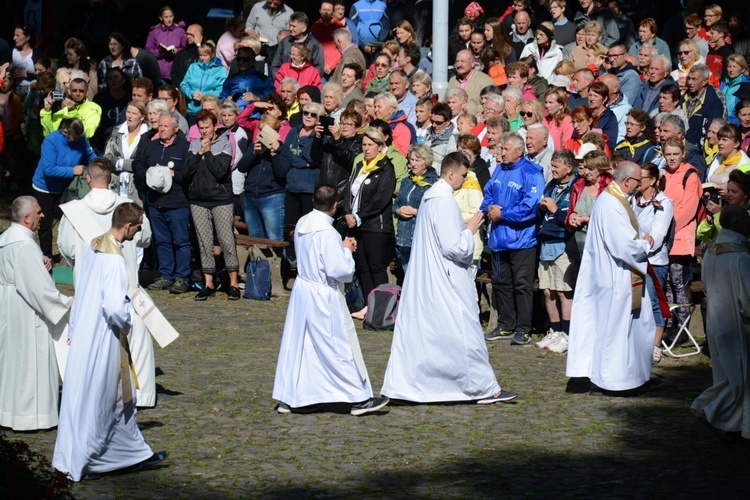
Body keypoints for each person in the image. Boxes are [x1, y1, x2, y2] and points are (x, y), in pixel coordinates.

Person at [381, 152, 518, 404]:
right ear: (451, 173)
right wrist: (469, 231)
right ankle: (482, 388)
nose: (465, 180)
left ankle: (421, 386)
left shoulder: (431, 198)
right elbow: (454, 247)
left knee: (434, 335)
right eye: (464, 175)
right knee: (465, 332)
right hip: (445, 278)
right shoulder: (442, 201)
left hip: (431, 277)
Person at [53, 203, 168, 481]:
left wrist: (75, 327)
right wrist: (129, 321)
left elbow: (83, 290)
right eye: (138, 227)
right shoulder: (115, 258)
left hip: (85, 333)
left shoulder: (95, 246)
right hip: (104, 339)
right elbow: (115, 308)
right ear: (128, 226)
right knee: (102, 398)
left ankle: (130, 452)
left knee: (97, 398)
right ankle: (86, 460)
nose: (138, 232)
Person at [273, 184, 389, 415]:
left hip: (303, 290)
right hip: (322, 295)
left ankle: (294, 396)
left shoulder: (304, 223)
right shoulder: (327, 233)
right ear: (335, 206)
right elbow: (340, 271)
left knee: (303, 345)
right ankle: (357, 397)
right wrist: (346, 249)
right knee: (337, 345)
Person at [57, 158, 155, 406]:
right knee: (135, 340)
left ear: (88, 179)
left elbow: (66, 247)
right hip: (128, 287)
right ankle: (140, 395)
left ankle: (97, 393)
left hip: (89, 291)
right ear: (111, 179)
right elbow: (146, 239)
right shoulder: (128, 208)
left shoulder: (74, 210)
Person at [566, 161, 659, 394]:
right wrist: (645, 245)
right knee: (616, 329)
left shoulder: (611, 199)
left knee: (635, 326)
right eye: (638, 182)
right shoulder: (612, 205)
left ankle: (634, 376)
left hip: (614, 272)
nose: (639, 187)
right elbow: (624, 246)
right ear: (627, 181)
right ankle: (613, 381)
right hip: (616, 275)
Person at [0, 196, 72, 431]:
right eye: (39, 213)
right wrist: (66, 302)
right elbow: (39, 290)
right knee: (31, 362)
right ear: (27, 218)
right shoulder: (24, 245)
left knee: (12, 363)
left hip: (9, 308)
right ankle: (32, 416)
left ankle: (10, 414)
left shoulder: (6, 239)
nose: (43, 216)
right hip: (26, 311)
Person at [691, 205, 750, 438]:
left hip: (716, 320)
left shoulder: (711, 252)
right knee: (741, 379)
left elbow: (705, 281)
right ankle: (711, 410)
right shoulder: (741, 257)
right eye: (746, 219)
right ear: (736, 224)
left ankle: (732, 423)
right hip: (738, 324)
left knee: (727, 374)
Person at [482, 132, 544, 345]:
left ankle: (524, 328)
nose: (502, 153)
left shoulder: (532, 173)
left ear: (519, 151)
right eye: (501, 149)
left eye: (506, 149)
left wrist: (503, 214)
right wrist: (488, 208)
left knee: (522, 284)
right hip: (499, 238)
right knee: (501, 282)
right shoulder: (499, 169)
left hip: (522, 239)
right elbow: (488, 192)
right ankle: (506, 325)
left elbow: (530, 206)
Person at [182, 110, 240, 300]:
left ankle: (233, 283)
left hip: (220, 199)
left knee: (226, 240)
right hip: (198, 200)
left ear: (215, 126)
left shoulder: (224, 143)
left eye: (207, 127)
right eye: (201, 128)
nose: (204, 131)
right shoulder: (194, 145)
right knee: (204, 243)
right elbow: (186, 172)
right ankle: (208, 283)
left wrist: (208, 153)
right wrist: (199, 153)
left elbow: (221, 172)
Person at [136, 111, 191, 294]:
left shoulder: (184, 147)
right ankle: (166, 275)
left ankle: (182, 277)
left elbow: (188, 174)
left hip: (177, 204)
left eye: (166, 126)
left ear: (176, 128)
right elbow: (139, 166)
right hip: (155, 204)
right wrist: (148, 174)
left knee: (181, 241)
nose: (162, 129)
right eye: (160, 125)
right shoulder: (151, 146)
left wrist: (169, 174)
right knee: (162, 241)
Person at [343, 126, 396, 312]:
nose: (366, 148)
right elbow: (349, 192)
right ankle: (368, 306)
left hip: (376, 225)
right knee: (362, 266)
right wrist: (347, 212)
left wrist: (360, 216)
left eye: (370, 145)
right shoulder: (359, 166)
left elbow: (381, 199)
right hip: (356, 224)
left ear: (380, 146)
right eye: (364, 144)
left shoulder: (386, 169)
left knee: (376, 266)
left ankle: (381, 309)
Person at [31, 117, 96, 258]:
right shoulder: (51, 141)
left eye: (80, 137)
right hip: (45, 187)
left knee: (71, 221)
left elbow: (90, 155)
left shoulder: (81, 139)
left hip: (67, 187)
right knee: (45, 224)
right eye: (74, 137)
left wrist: (98, 164)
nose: (77, 140)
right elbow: (49, 169)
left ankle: (72, 253)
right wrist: (72, 171)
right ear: (64, 131)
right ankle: (46, 255)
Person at [631, 162, 674, 364]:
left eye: (642, 178)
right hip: (635, 258)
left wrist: (646, 242)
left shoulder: (664, 203)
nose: (638, 182)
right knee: (637, 301)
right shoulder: (633, 199)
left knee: (654, 301)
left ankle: (656, 345)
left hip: (653, 261)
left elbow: (658, 234)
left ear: (654, 181)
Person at [535, 149, 577, 354]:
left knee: (563, 291)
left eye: (556, 166)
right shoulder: (551, 185)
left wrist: (554, 210)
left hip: (562, 243)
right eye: (551, 165)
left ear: (569, 168)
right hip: (546, 242)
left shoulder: (575, 188)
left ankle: (567, 334)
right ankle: (555, 330)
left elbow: (571, 220)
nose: (552, 169)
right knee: (547, 290)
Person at [660, 137, 702, 344]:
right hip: (664, 238)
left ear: (682, 154)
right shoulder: (663, 174)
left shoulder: (690, 175)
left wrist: (667, 226)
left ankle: (683, 328)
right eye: (668, 154)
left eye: (676, 154)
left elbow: (689, 207)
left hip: (680, 236)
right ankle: (669, 326)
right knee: (667, 284)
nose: (672, 158)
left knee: (678, 282)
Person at [393, 144, 437, 269]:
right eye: (411, 160)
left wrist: (416, 212)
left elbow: (435, 211)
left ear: (426, 162)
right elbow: (396, 204)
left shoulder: (433, 183)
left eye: (417, 160)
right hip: (403, 237)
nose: (413, 164)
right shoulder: (407, 181)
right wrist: (398, 210)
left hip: (420, 238)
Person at [698, 169, 750, 243]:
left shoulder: (747, 215)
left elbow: (731, 239)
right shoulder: (724, 208)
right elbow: (701, 236)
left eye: (734, 192)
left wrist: (717, 214)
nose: (729, 195)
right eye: (728, 191)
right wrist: (708, 223)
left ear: (746, 195)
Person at [270, 11, 325, 80]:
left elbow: (319, 68)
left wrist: (307, 82)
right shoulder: (285, 43)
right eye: (290, 25)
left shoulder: (314, 45)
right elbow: (275, 66)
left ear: (304, 28)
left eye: (294, 26)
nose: (290, 29)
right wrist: (281, 82)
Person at [180, 41, 226, 122]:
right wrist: (191, 94)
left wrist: (204, 96)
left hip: (210, 111)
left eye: (205, 55)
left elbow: (222, 89)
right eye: (200, 55)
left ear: (212, 55)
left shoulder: (220, 70)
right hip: (193, 110)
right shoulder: (193, 67)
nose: (202, 58)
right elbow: (184, 84)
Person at [681, 64, 725, 147]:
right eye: (689, 78)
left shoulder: (713, 102)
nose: (690, 82)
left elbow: (712, 131)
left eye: (694, 79)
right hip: (682, 146)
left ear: (704, 82)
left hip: (699, 150)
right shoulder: (684, 98)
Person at [219, 46, 274, 111]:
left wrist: (257, 98)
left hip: (254, 117)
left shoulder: (264, 80)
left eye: (246, 59)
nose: (241, 62)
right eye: (239, 59)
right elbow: (221, 98)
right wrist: (225, 100)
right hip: (233, 115)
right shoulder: (230, 80)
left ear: (253, 61)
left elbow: (272, 98)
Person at [145, 5, 187, 83]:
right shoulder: (155, 32)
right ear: (161, 18)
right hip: (161, 72)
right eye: (166, 17)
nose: (169, 19)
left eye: (170, 16)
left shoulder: (180, 31)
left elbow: (186, 48)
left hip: (177, 70)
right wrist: (160, 52)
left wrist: (177, 50)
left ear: (173, 16)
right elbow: (148, 49)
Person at [448, 50, 495, 116]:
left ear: (472, 63)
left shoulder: (485, 81)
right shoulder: (453, 80)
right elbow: (445, 102)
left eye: (463, 61)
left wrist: (469, 109)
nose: (459, 64)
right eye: (457, 61)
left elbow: (492, 105)